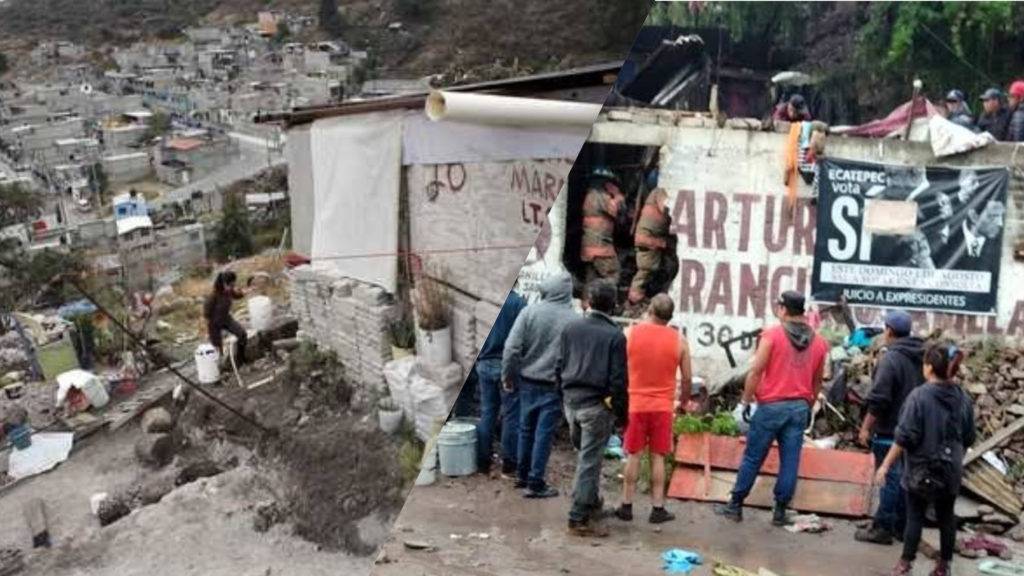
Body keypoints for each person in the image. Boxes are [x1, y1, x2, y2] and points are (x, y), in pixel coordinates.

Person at [715, 291, 829, 525]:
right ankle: (780, 511)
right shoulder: (819, 343)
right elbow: (817, 381)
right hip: (798, 407)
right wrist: (808, 404)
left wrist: (746, 401)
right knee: (790, 460)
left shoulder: (772, 335)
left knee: (753, 457)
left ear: (783, 309)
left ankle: (735, 505)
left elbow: (756, 371)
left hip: (770, 406)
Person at [877, 343, 975, 576]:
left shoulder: (919, 396)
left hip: (921, 469)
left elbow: (904, 437)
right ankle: (944, 566)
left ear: (929, 368)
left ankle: (905, 564)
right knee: (946, 517)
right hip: (951, 470)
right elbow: (969, 436)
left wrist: (885, 465)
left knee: (915, 516)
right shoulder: (963, 398)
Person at [557, 280, 628, 537]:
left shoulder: (571, 328)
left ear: (588, 302)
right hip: (595, 407)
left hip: (571, 403)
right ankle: (578, 518)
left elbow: (559, 365)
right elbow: (619, 381)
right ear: (613, 306)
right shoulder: (615, 336)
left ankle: (591, 501)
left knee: (586, 456)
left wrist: (562, 396)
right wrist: (621, 414)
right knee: (589, 461)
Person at [614, 294, 691, 525]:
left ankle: (626, 505)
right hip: (663, 407)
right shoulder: (680, 341)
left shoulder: (631, 334)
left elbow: (619, 368)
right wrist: (684, 401)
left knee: (633, 454)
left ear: (650, 310)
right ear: (670, 316)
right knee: (658, 456)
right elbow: (686, 379)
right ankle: (658, 508)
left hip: (635, 403)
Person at [502, 271, 577, 498]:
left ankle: (522, 475)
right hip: (554, 385)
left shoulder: (529, 312)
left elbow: (512, 348)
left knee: (525, 429)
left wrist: (508, 375)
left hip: (526, 381)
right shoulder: (574, 320)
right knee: (543, 433)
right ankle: (535, 482)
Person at [855, 310, 925, 545]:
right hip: (915, 430)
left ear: (889, 331)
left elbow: (879, 399)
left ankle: (883, 527)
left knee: (889, 478)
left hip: (890, 429)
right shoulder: (922, 357)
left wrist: (866, 427)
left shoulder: (891, 359)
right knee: (905, 479)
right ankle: (900, 526)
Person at [475, 289, 527, 475]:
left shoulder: (486, 299)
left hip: (485, 363)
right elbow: (523, 337)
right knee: (511, 415)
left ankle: (483, 462)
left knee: (488, 412)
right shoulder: (518, 303)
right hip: (508, 365)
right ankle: (509, 464)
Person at [627, 170, 678, 306]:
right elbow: (667, 208)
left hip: (653, 237)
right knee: (646, 269)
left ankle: (647, 296)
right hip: (649, 239)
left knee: (660, 266)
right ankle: (634, 299)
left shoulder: (654, 192)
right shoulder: (660, 192)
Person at [580, 167, 627, 288]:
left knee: (591, 279)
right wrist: (617, 195)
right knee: (613, 274)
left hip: (589, 247)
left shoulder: (590, 194)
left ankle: (587, 303)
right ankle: (606, 302)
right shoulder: (600, 195)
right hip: (600, 247)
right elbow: (616, 210)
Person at [203, 270, 248, 366]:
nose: (232, 287)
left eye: (233, 285)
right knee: (217, 349)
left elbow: (236, 295)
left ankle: (241, 359)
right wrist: (208, 330)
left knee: (242, 334)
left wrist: (243, 293)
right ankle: (220, 368)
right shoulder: (213, 296)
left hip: (226, 319)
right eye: (230, 285)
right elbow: (206, 314)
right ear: (223, 283)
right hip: (214, 324)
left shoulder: (228, 291)